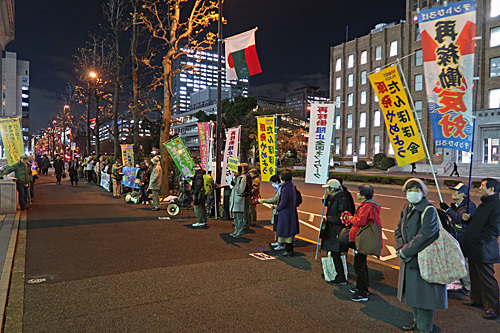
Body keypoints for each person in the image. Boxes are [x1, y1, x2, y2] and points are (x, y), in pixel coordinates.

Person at [395, 178, 447, 333]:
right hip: (410, 259)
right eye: (409, 190)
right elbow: (398, 230)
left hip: (423, 260)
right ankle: (417, 322)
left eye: (416, 190)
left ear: (423, 192)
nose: (412, 193)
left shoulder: (429, 210)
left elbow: (425, 236)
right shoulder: (407, 208)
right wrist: (400, 248)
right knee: (413, 294)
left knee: (424, 297)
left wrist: (405, 252)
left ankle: (424, 328)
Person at [461, 178, 500, 320]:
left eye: (483, 186)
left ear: (492, 190)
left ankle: (493, 308)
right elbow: (480, 224)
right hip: (474, 247)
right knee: (475, 275)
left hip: (484, 248)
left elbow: (495, 229)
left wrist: (479, 240)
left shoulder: (497, 205)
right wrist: (469, 219)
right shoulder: (485, 204)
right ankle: (476, 299)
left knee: (487, 279)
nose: (479, 188)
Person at [345, 184, 381, 302]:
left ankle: (362, 293)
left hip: (361, 239)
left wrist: (349, 218)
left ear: (363, 194)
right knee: (361, 265)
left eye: (358, 192)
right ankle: (361, 287)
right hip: (361, 238)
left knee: (359, 267)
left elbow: (360, 221)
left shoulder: (367, 206)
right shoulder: (369, 205)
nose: (357, 193)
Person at [439, 182, 477, 295]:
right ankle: (460, 282)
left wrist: (447, 210)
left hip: (464, 238)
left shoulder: (469, 206)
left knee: (464, 262)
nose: (452, 193)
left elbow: (460, 218)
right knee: (456, 260)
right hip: (457, 236)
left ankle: (469, 288)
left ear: (462, 194)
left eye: (455, 191)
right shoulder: (458, 205)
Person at [320, 178, 350, 286]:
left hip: (336, 229)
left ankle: (340, 276)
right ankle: (338, 274)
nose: (327, 190)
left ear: (332, 189)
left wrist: (330, 219)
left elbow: (342, 217)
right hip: (333, 229)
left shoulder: (341, 199)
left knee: (335, 253)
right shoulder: (335, 197)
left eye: (328, 188)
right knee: (334, 253)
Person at [275, 169, 299, 256]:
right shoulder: (291, 186)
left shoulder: (285, 188)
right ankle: (289, 250)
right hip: (290, 211)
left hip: (285, 213)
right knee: (289, 232)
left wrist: (278, 208)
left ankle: (288, 250)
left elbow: (284, 201)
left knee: (286, 231)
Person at [260, 175, 283, 250]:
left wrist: (264, 200)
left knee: (279, 226)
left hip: (279, 209)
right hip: (277, 208)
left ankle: (280, 243)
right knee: (278, 226)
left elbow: (275, 199)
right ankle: (279, 242)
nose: (272, 184)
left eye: (272, 183)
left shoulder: (280, 188)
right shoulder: (279, 187)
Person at [229, 165, 246, 238]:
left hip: (238, 200)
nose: (233, 172)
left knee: (239, 218)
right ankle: (236, 231)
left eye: (234, 171)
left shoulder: (242, 178)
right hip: (235, 199)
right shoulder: (237, 178)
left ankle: (239, 232)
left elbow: (241, 190)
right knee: (235, 217)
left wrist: (234, 185)